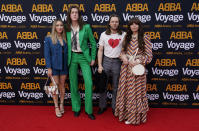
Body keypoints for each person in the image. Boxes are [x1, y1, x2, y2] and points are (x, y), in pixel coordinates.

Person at [115, 17, 153, 125]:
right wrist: (124, 58)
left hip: (137, 70)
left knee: (135, 93)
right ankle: (126, 115)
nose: (134, 26)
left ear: (139, 26)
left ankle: (134, 118)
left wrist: (137, 61)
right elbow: (121, 52)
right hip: (126, 69)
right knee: (126, 92)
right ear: (129, 26)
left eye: (136, 24)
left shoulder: (145, 38)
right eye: (132, 24)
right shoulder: (126, 37)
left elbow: (149, 56)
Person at [65, 6, 97, 120]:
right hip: (72, 56)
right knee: (73, 84)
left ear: (79, 15)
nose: (74, 14)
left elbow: (93, 43)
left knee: (88, 83)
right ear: (69, 15)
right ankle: (77, 108)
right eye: (72, 12)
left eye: (76, 12)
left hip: (84, 57)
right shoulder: (66, 28)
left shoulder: (86, 27)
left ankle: (89, 110)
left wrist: (93, 58)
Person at [97, 14, 126, 115]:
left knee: (116, 87)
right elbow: (100, 50)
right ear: (109, 23)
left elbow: (126, 49)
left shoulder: (123, 34)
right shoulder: (104, 34)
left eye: (116, 22)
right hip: (106, 61)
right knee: (103, 86)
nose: (114, 23)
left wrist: (123, 56)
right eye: (112, 21)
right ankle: (102, 106)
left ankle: (115, 107)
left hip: (118, 63)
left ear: (118, 23)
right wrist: (100, 65)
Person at [44, 19, 68, 118]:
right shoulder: (49, 38)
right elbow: (47, 54)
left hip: (64, 65)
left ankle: (62, 103)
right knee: (55, 86)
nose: (59, 27)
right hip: (54, 66)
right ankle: (56, 106)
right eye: (57, 25)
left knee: (62, 85)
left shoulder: (66, 38)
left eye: (61, 25)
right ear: (54, 27)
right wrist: (49, 68)